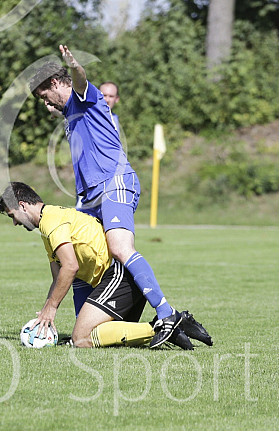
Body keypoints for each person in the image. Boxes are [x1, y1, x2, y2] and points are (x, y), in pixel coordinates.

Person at [29, 45, 182, 348]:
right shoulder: (70, 111)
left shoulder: (86, 96)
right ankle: (78, 333)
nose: (45, 102)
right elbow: (67, 108)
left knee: (120, 247)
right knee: (77, 256)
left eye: (45, 95)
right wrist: (57, 108)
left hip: (114, 183)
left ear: (57, 83)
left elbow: (80, 81)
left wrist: (74, 66)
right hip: (89, 197)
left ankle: (166, 313)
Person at [0, 182, 212, 349]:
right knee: (99, 336)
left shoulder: (51, 221)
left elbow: (70, 267)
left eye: (13, 216)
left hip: (119, 275)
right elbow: (58, 277)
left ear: (23, 206)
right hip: (115, 281)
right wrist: (46, 310)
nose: (15, 223)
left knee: (81, 339)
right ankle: (171, 324)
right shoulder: (48, 224)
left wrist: (52, 308)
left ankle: (165, 325)